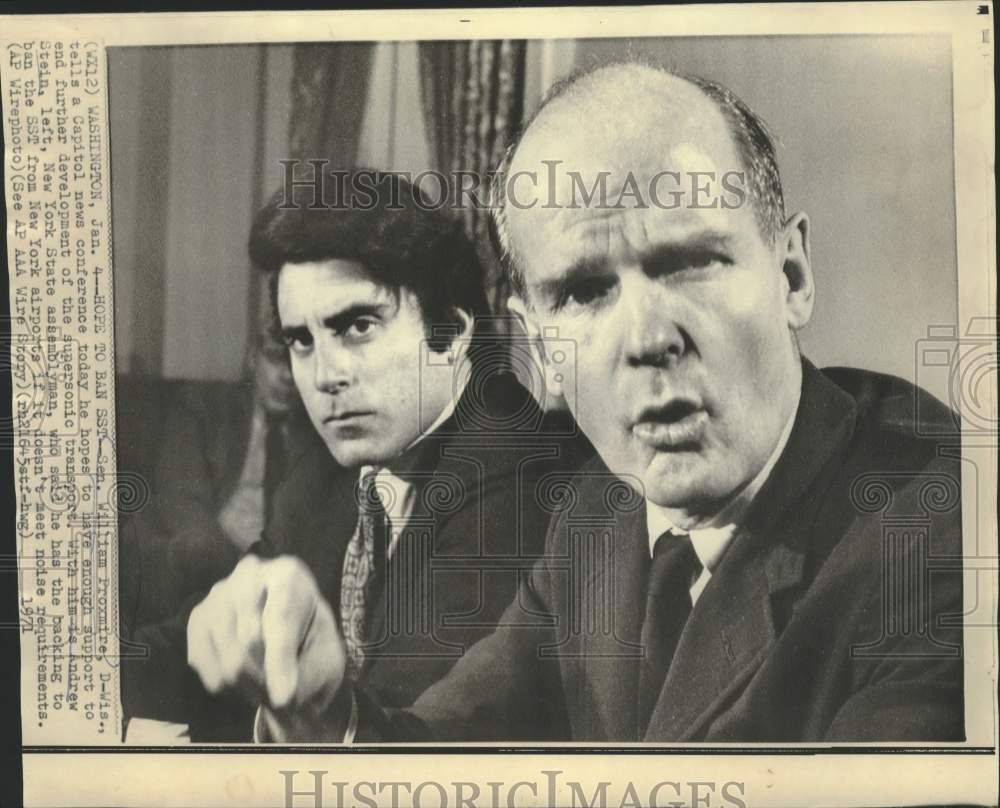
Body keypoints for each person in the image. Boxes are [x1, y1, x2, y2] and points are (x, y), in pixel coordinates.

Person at [185, 64, 964, 743]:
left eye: (691, 263)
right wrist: (322, 714)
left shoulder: (943, 535)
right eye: (585, 292)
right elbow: (446, 751)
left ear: (791, 276)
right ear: (542, 348)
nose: (649, 338)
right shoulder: (598, 512)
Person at [129, 171, 590, 741]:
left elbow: (405, 729)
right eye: (302, 340)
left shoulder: (523, 473)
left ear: (452, 333)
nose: (325, 376)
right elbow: (211, 640)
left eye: (357, 327)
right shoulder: (335, 466)